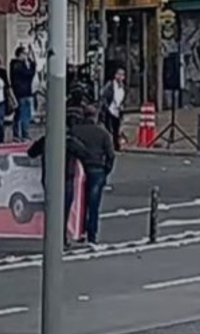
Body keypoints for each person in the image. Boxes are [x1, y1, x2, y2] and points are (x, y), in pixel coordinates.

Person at [27, 104, 88, 249]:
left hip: (49, 179)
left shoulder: (47, 139)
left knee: (51, 209)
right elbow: (84, 153)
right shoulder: (70, 141)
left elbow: (31, 152)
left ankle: (52, 237)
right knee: (64, 210)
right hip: (66, 179)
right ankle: (61, 238)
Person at [68, 103, 116, 247]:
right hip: (97, 169)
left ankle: (78, 230)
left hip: (79, 169)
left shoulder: (75, 131)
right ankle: (92, 234)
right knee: (93, 204)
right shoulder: (102, 133)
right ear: (95, 117)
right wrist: (106, 169)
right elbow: (111, 154)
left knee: (78, 202)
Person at [9, 46, 36, 142]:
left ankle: (21, 134)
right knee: (22, 115)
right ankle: (21, 134)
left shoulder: (21, 64)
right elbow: (28, 74)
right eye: (25, 54)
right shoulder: (17, 65)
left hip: (26, 92)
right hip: (21, 93)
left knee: (24, 115)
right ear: (20, 54)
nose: (26, 56)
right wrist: (31, 64)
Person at [99, 65, 128, 150]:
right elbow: (104, 96)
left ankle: (116, 146)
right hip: (109, 110)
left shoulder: (124, 88)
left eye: (122, 75)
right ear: (115, 75)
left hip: (118, 111)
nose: (120, 77)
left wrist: (122, 106)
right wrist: (106, 107)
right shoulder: (110, 85)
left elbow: (124, 99)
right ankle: (109, 146)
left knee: (116, 129)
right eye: (118, 74)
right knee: (108, 129)